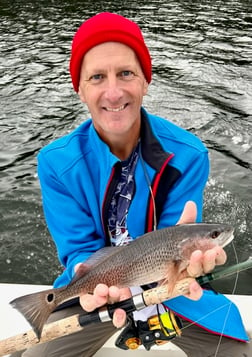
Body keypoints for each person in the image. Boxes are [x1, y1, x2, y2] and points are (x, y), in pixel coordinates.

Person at [20, 12, 250, 357]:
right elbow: (79, 250)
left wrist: (189, 264)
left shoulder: (188, 154)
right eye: (97, 77)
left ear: (145, 80)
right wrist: (88, 279)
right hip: (95, 295)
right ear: (80, 89)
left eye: (126, 73)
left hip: (172, 292)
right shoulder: (55, 163)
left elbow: (176, 246)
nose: (113, 92)